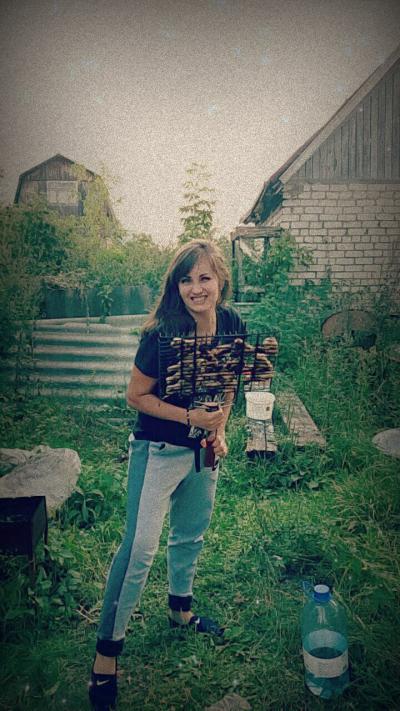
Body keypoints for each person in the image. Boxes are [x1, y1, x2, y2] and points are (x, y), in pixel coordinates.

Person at [89, 239, 245, 710]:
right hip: (157, 450)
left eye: (204, 278)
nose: (196, 288)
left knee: (190, 534)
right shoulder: (161, 334)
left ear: (220, 280)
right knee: (139, 548)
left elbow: (229, 382)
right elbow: (135, 396)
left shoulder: (231, 323)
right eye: (186, 279)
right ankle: (106, 655)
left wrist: (220, 428)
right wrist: (189, 418)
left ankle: (180, 610)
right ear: (175, 286)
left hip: (202, 452)